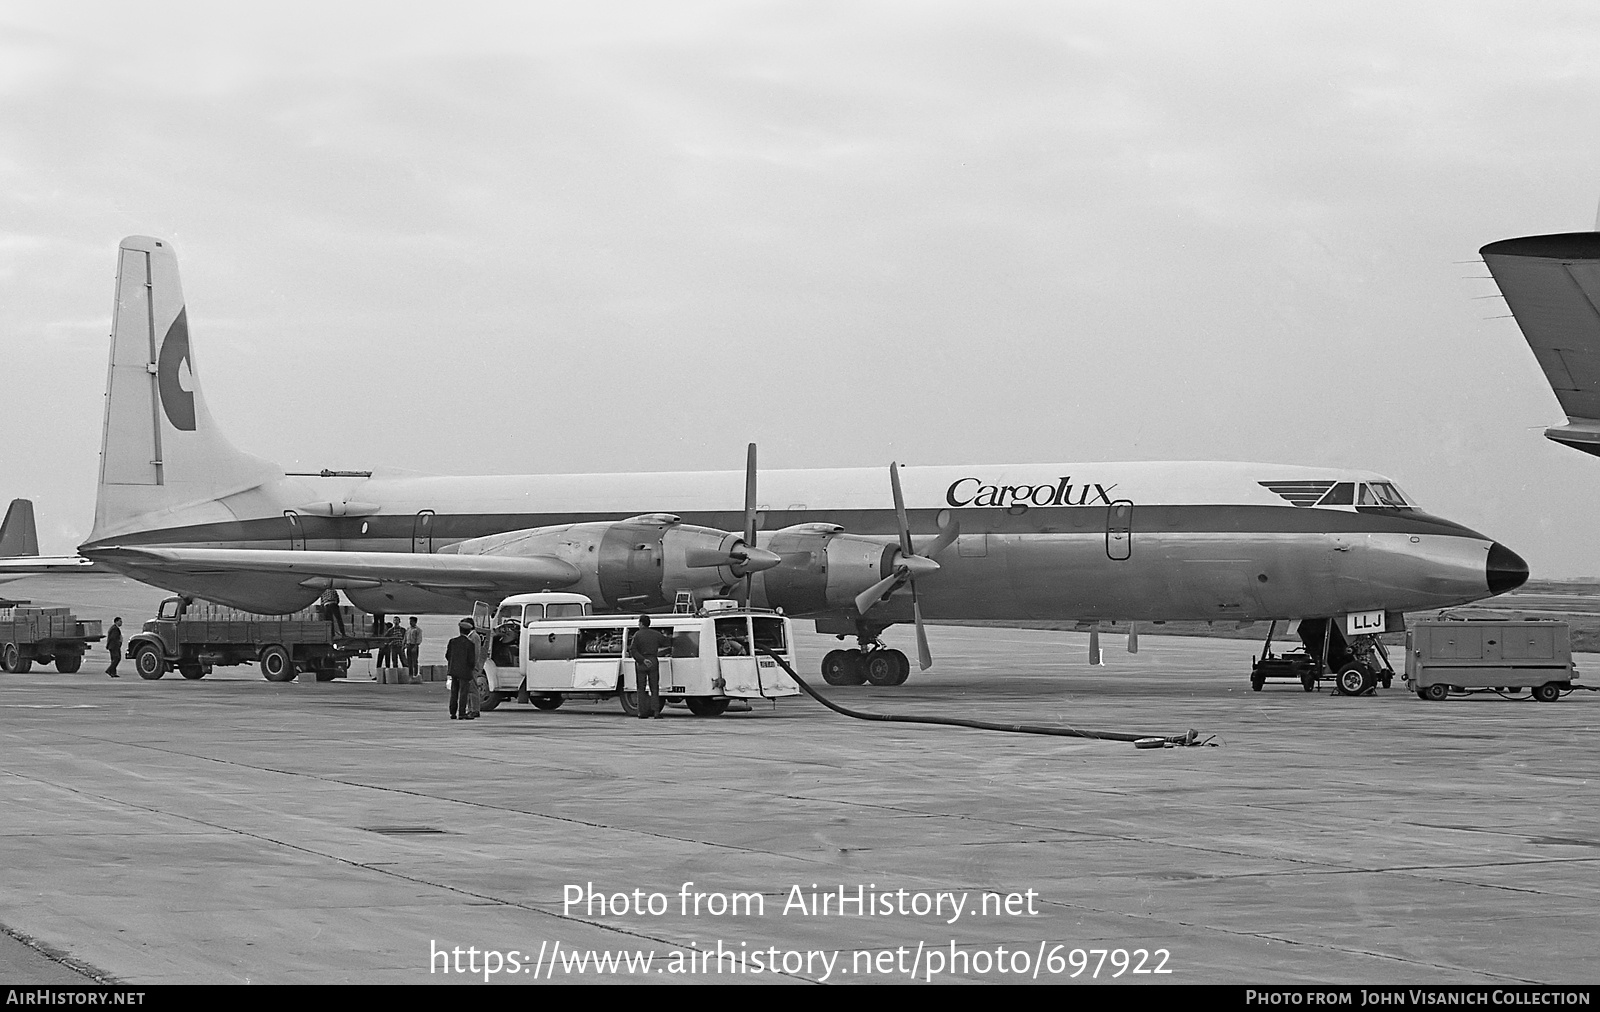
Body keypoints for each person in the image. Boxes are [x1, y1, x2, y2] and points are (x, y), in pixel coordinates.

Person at [628, 614, 667, 719]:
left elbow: (633, 650)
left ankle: (642, 712)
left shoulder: (637, 635)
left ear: (641, 623)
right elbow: (666, 642)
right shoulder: (656, 634)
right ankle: (656, 712)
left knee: (641, 688)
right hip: (653, 661)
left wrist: (642, 660)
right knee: (654, 688)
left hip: (641, 663)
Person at [446, 619, 476, 720]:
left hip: (454, 671)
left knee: (454, 692)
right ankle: (462, 713)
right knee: (463, 692)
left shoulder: (452, 641)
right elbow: (472, 660)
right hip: (465, 671)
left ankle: (452, 712)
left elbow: (447, 655)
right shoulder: (470, 644)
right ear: (468, 631)